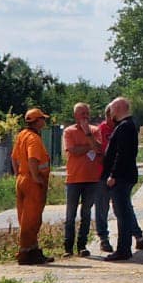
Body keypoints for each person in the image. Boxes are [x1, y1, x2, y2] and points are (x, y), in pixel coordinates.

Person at [101, 97, 143, 261]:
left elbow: (122, 154)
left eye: (113, 109)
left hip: (121, 177)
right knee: (124, 212)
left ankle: (123, 249)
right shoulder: (127, 125)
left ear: (119, 108)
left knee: (122, 214)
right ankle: (124, 247)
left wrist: (113, 175)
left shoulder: (125, 126)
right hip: (125, 176)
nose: (111, 112)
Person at [61, 102, 106, 256]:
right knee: (70, 215)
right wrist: (89, 146)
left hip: (92, 179)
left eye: (87, 113)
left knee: (86, 214)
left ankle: (82, 246)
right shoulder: (69, 131)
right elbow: (73, 150)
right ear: (75, 115)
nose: (86, 116)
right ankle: (68, 247)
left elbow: (99, 148)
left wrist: (88, 135)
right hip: (74, 179)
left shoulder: (95, 130)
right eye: (82, 113)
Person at [10, 108, 53, 265]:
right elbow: (32, 159)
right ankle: (26, 253)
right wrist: (36, 177)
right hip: (32, 182)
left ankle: (33, 251)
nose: (44, 121)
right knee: (32, 219)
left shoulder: (21, 135)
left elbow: (14, 158)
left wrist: (18, 175)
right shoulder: (34, 139)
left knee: (25, 218)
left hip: (22, 179)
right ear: (37, 121)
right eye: (43, 118)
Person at [93, 102, 117, 253]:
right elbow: (98, 151)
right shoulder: (100, 130)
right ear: (108, 115)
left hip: (117, 174)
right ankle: (103, 238)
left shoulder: (119, 129)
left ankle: (136, 235)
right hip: (102, 174)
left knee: (123, 206)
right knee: (102, 207)